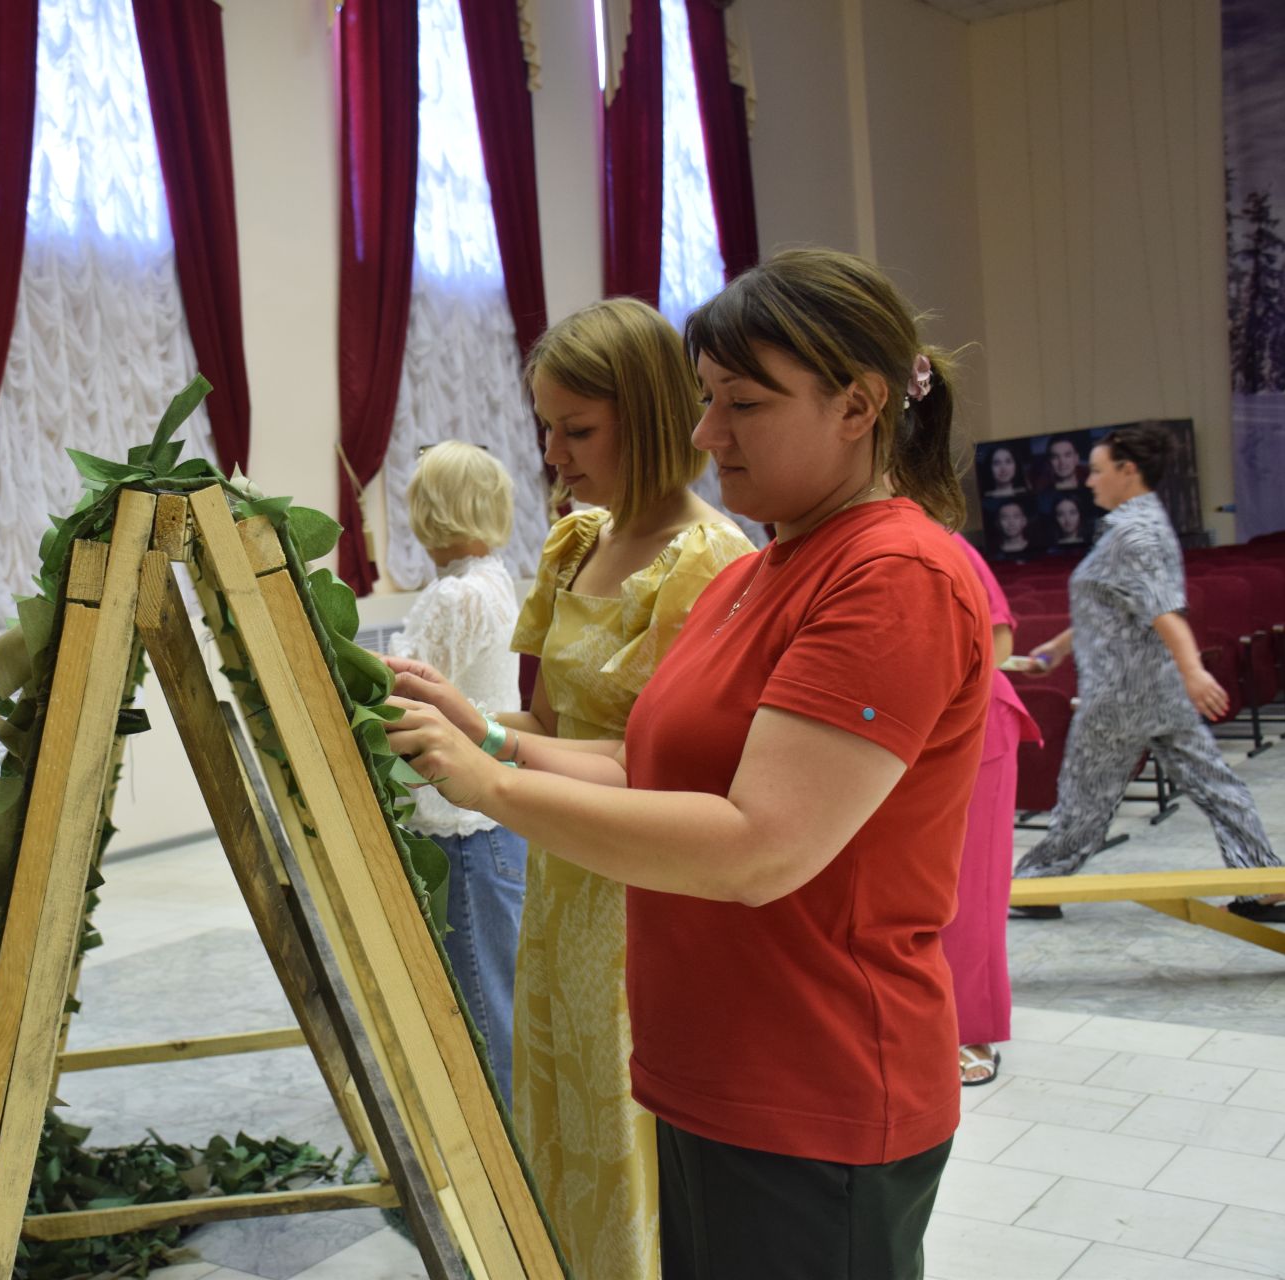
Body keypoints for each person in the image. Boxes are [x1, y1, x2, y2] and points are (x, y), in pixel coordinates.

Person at [386, 249, 991, 1280]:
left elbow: (760, 845)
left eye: (742, 404)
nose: (707, 436)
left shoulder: (892, 574)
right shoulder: (761, 571)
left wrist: (493, 789)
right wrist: (494, 737)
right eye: (707, 401)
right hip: (711, 1065)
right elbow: (657, 775)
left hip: (815, 1077)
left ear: (859, 404)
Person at [386, 297, 752, 1279]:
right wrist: (464, 718)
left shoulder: (711, 563)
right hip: (560, 873)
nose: (552, 452)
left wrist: (487, 767)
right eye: (545, 425)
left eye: (577, 428)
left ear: (649, 412)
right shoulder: (576, 543)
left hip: (640, 888)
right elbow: (545, 728)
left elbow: (656, 771)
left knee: (622, 1131)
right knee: (555, 1110)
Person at [1012, 424, 1285, 918]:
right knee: (1214, 783)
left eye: (1097, 471)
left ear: (1127, 470)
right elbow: (1116, 605)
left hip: (1121, 695)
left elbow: (1163, 612)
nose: (1089, 481)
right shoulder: (1138, 525)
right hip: (1151, 689)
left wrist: (1194, 671)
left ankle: (1037, 883)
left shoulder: (1133, 533)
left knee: (1084, 797)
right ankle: (1260, 878)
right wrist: (1055, 649)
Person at [387, 441, 526, 1097]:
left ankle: (504, 1179)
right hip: (491, 821)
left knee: (480, 1008)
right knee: (495, 998)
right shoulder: (494, 579)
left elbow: (402, 697)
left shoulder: (455, 597)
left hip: (460, 826)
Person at [943, 535, 1041, 1086]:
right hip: (894, 731)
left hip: (970, 724)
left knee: (972, 886)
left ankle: (971, 1030)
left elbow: (998, 640)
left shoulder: (942, 542)